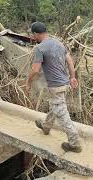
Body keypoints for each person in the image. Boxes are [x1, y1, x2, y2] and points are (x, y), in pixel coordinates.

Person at [25, 22, 82, 153]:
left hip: (55, 86)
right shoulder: (59, 43)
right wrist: (72, 77)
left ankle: (74, 143)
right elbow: (70, 61)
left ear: (36, 34)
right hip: (65, 84)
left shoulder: (40, 48)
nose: (32, 37)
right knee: (57, 106)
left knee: (61, 113)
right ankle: (46, 126)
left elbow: (35, 70)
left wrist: (28, 82)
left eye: (32, 34)